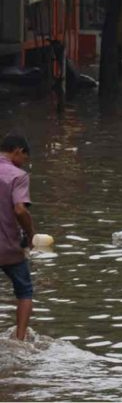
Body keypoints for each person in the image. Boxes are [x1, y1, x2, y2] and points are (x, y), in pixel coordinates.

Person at [0, 133, 35, 341]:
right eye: (25, 158)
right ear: (18, 151)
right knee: (24, 291)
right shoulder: (17, 175)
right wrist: (30, 233)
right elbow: (20, 210)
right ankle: (20, 340)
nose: (24, 163)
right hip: (9, 248)